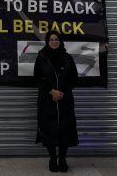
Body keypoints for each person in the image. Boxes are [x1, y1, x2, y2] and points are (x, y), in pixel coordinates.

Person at [34, 30, 79, 173]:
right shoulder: (41, 58)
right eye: (51, 39)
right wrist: (51, 91)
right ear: (47, 41)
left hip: (65, 100)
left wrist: (61, 92)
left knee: (65, 130)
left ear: (60, 41)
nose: (54, 41)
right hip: (47, 100)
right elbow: (37, 78)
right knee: (49, 129)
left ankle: (63, 159)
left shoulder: (67, 58)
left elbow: (74, 78)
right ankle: (53, 159)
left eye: (56, 39)